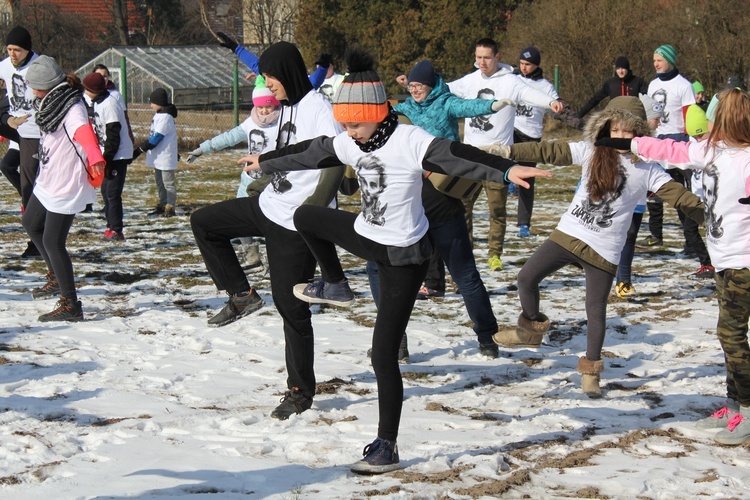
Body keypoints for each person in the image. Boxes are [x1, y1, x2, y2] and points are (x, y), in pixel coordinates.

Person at [242, 47, 551, 475]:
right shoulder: (352, 139)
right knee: (305, 215)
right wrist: (266, 160)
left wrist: (504, 170)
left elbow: (455, 154)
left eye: (355, 124)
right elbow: (313, 150)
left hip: (403, 259)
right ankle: (334, 282)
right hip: (368, 238)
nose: (347, 133)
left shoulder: (409, 140)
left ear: (378, 112)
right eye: (344, 124)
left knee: (381, 355)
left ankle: (386, 446)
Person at [488, 97, 704, 398]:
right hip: (569, 233)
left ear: (639, 135)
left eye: (629, 132)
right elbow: (547, 150)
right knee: (526, 277)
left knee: (596, 311)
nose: (621, 137)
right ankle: (529, 330)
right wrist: (507, 151)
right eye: (616, 129)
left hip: (604, 248)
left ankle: (591, 371)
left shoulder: (648, 169)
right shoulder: (591, 150)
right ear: (606, 127)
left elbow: (681, 197)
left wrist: (712, 217)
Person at [189, 41, 344, 422]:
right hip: (268, 205)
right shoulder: (288, 107)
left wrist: (316, 210)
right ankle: (241, 295)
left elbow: (337, 160)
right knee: (205, 223)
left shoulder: (318, 109)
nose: (268, 85)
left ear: (288, 74)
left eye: (271, 78)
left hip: (296, 223)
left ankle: (299, 391)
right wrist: (262, 180)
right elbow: (287, 159)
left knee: (292, 308)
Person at [597, 88, 750, 445]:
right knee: (730, 337)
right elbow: (671, 149)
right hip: (724, 260)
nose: (706, 122)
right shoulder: (710, 151)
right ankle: (733, 407)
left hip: (745, 263)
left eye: (711, 116)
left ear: (726, 120)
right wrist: (631, 145)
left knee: (732, 336)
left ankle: (748, 412)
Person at [394, 58, 511, 304]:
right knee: (424, 228)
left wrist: (493, 105)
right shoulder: (410, 107)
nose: (414, 90)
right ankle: (434, 283)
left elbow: (468, 107)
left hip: (446, 175)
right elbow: (386, 112)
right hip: (420, 175)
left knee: (451, 228)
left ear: (430, 84)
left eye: (419, 85)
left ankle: (463, 279)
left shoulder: (445, 102)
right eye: (411, 85)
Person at [447, 38, 563, 271]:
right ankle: (467, 253)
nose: (482, 62)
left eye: (487, 57)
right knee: (463, 208)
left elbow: (530, 94)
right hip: (469, 156)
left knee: (497, 210)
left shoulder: (511, 82)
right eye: (478, 57)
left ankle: (494, 254)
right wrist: (414, 83)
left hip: (497, 157)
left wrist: (550, 101)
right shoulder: (470, 81)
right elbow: (443, 89)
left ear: (497, 57)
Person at [20, 56, 105, 320]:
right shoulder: (49, 102)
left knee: (52, 241)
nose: (33, 91)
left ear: (47, 84)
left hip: (66, 182)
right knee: (31, 223)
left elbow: (84, 133)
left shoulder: (71, 106)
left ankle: (71, 305)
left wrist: (95, 157)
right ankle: (56, 276)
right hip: (48, 178)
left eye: (36, 86)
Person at [186, 76, 281, 268]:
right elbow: (228, 138)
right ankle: (251, 255)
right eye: (260, 107)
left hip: (272, 181)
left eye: (269, 106)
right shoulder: (250, 122)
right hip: (248, 180)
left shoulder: (282, 123)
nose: (264, 111)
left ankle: (276, 259)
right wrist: (203, 148)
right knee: (240, 218)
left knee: (274, 221)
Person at [638, 44, 696, 249]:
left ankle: (691, 240)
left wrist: (691, 139)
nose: (656, 63)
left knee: (679, 192)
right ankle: (655, 235)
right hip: (657, 141)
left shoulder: (684, 85)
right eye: (654, 60)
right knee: (653, 190)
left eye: (659, 60)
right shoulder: (652, 85)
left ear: (670, 61)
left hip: (678, 142)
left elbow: (690, 116)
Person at [0, 26, 41, 258]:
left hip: (37, 132)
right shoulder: (5, 65)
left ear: (28, 49)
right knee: (25, 183)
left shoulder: (40, 65)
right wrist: (7, 117)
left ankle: (37, 237)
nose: (13, 54)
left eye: (17, 49)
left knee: (32, 184)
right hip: (19, 128)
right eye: (9, 49)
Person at [513, 46, 560, 238]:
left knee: (527, 180)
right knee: (499, 165)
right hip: (512, 129)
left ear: (536, 65)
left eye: (528, 64)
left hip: (531, 135)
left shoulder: (546, 86)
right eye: (522, 64)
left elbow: (556, 108)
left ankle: (524, 223)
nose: (524, 68)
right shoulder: (513, 79)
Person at [82, 72, 133, 241]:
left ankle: (116, 230)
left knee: (112, 193)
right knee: (105, 191)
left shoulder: (109, 104)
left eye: (86, 89)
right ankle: (110, 226)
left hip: (117, 155)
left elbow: (114, 134)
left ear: (93, 90)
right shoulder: (97, 102)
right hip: (108, 154)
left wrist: (107, 159)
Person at [215, 32, 326, 89]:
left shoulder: (298, 84)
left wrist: (323, 67)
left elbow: (314, 82)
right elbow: (255, 64)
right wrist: (236, 48)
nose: (268, 84)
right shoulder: (274, 75)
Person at [132, 88, 178, 217]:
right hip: (158, 156)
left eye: (153, 102)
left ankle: (170, 206)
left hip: (165, 156)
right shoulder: (159, 115)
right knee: (160, 182)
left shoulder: (166, 117)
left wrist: (141, 149)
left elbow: (157, 137)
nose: (151, 105)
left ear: (159, 102)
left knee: (168, 183)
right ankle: (162, 204)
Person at [577, 56, 649, 119]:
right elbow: (595, 99)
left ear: (627, 69)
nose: (620, 71)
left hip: (633, 118)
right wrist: (579, 115)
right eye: (618, 68)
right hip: (615, 118)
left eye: (623, 68)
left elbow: (648, 99)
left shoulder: (638, 82)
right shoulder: (611, 83)